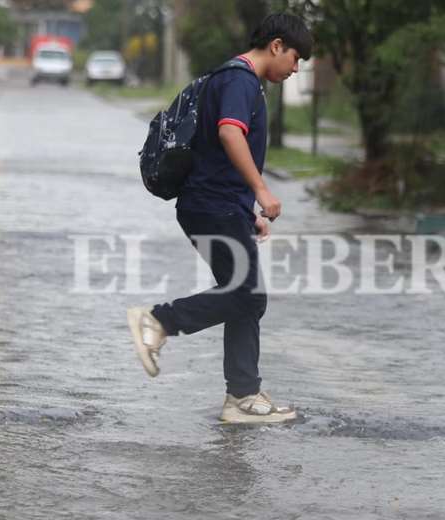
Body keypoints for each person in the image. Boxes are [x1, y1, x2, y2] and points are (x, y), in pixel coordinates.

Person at [127, 13, 313, 424]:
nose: (296, 69)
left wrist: (248, 209)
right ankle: (158, 321)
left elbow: (216, 156)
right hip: (213, 206)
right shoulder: (240, 81)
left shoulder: (234, 78)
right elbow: (230, 134)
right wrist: (262, 191)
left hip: (218, 205)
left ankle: (242, 397)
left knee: (245, 295)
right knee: (248, 294)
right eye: (296, 58)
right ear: (277, 45)